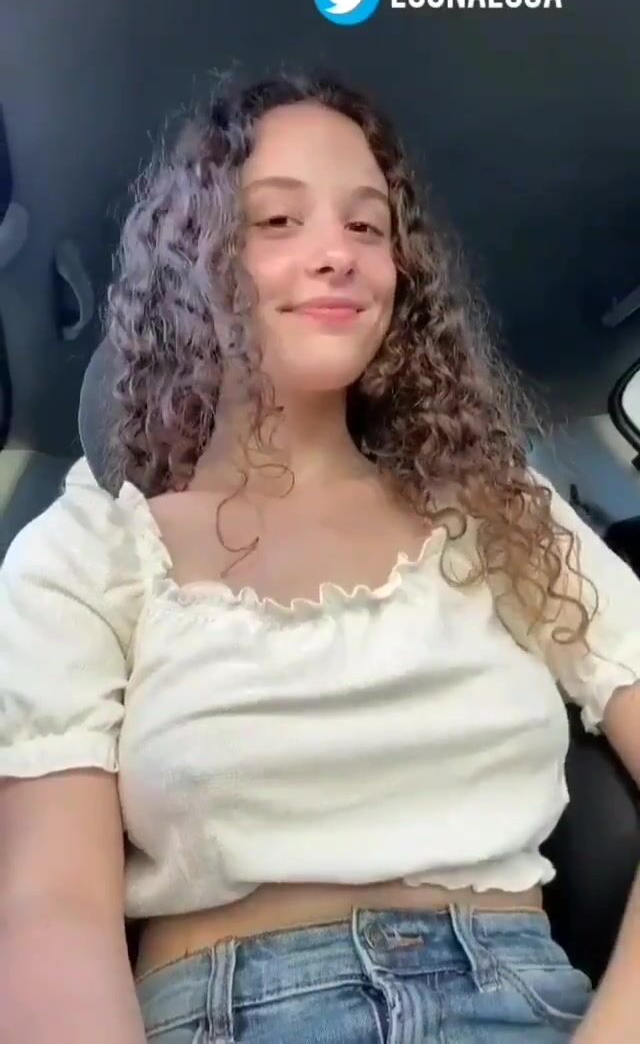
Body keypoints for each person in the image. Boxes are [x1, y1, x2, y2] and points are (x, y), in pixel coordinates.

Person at [1, 68, 639, 1044]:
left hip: (532, 1005)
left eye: (367, 226)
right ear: (195, 260)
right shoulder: (88, 549)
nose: (337, 254)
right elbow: (49, 908)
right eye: (276, 221)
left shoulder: (500, 508)